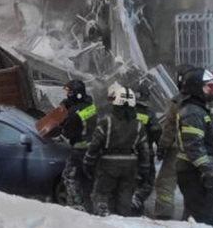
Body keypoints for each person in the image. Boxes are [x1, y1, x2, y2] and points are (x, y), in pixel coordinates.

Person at [84, 84, 150, 216]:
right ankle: (123, 224)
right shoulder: (138, 125)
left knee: (102, 195)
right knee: (124, 200)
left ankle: (103, 223)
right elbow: (144, 149)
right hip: (130, 166)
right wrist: (144, 169)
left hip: (108, 165)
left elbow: (94, 145)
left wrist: (88, 162)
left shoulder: (106, 122)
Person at [176, 68, 213, 227]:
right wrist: (207, 169)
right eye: (208, 86)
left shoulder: (198, 109)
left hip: (195, 170)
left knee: (201, 215)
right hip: (192, 171)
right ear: (196, 87)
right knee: (201, 218)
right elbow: (193, 145)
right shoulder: (193, 112)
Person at [153, 64, 194, 220]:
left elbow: (170, 127)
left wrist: (162, 146)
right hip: (201, 151)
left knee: (165, 182)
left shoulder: (178, 102)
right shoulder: (209, 102)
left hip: (178, 150)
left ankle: (163, 213)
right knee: (196, 184)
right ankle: (194, 216)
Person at [54, 79, 97, 212]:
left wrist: (62, 123)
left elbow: (68, 133)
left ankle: (75, 205)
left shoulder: (74, 112)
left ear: (77, 94)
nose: (68, 95)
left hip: (79, 148)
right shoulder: (90, 104)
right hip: (92, 147)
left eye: (70, 92)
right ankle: (91, 204)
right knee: (88, 178)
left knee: (69, 175)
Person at [132, 81, 163, 216]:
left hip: (129, 151)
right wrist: (162, 147)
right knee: (148, 180)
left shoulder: (127, 111)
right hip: (145, 153)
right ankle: (137, 201)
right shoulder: (149, 113)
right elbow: (156, 132)